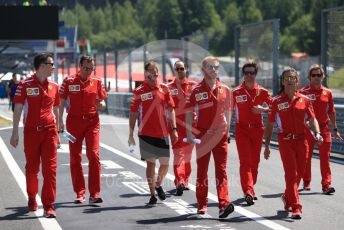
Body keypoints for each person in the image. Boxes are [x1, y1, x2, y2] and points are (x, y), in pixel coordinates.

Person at [264, 68, 323, 220]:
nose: (290, 81)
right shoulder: (276, 102)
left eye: (293, 79)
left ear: (298, 82)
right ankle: (296, 207)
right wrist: (267, 146)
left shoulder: (305, 100)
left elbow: (312, 119)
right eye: (287, 79)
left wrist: (317, 133)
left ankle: (287, 196)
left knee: (300, 173)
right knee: (291, 174)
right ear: (283, 82)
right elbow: (270, 125)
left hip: (302, 140)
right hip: (285, 141)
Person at [10, 53, 59, 218]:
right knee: (32, 169)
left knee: (50, 169)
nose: (54, 67)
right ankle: (32, 196)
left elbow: (57, 108)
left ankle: (49, 205)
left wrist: (59, 129)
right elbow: (17, 108)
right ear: (42, 65)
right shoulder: (25, 85)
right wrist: (15, 132)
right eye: (51, 64)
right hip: (31, 132)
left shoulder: (54, 86)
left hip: (50, 131)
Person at [185, 56, 234, 218]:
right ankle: (201, 203)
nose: (214, 69)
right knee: (202, 172)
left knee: (221, 171)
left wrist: (226, 129)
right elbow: (189, 112)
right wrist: (189, 133)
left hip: (220, 135)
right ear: (203, 69)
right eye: (211, 67)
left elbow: (228, 111)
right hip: (203, 135)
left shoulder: (225, 89)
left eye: (216, 67)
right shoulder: (196, 90)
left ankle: (223, 204)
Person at [128, 61, 178, 205]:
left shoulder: (164, 89)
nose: (153, 73)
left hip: (163, 132)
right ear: (146, 73)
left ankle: (158, 184)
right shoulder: (139, 91)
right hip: (146, 133)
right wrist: (131, 134)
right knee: (151, 164)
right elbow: (133, 113)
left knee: (165, 163)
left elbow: (171, 109)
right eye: (150, 71)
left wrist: (174, 129)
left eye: (155, 71)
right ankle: (152, 194)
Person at [59, 55, 107, 204]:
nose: (88, 71)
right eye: (86, 68)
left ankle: (95, 193)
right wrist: (59, 120)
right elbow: (60, 101)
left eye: (91, 69)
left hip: (92, 122)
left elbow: (102, 101)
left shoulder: (97, 81)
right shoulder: (69, 81)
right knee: (75, 157)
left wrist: (102, 105)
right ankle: (80, 193)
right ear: (79, 66)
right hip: (73, 123)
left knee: (93, 154)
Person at [232, 61, 272, 205]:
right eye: (247, 73)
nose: (249, 76)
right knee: (245, 162)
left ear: (256, 74)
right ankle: (248, 191)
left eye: (252, 73)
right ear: (243, 74)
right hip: (241, 129)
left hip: (257, 129)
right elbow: (228, 111)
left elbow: (276, 108)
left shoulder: (263, 92)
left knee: (255, 162)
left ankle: (251, 186)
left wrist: (264, 110)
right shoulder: (236, 92)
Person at [300, 64, 343, 193]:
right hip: (308, 129)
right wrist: (303, 123)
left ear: (322, 77)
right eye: (314, 75)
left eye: (319, 75)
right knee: (306, 157)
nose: (316, 77)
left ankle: (326, 185)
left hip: (324, 129)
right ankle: (306, 181)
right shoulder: (303, 92)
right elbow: (298, 111)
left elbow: (332, 111)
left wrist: (335, 129)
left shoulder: (327, 93)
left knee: (325, 158)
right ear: (309, 77)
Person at [167, 60, 197, 196]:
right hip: (175, 126)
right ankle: (179, 180)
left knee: (187, 156)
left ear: (186, 70)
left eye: (182, 68)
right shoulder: (168, 87)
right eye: (177, 69)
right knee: (179, 154)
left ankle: (184, 180)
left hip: (190, 127)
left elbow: (201, 104)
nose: (179, 71)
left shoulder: (194, 86)